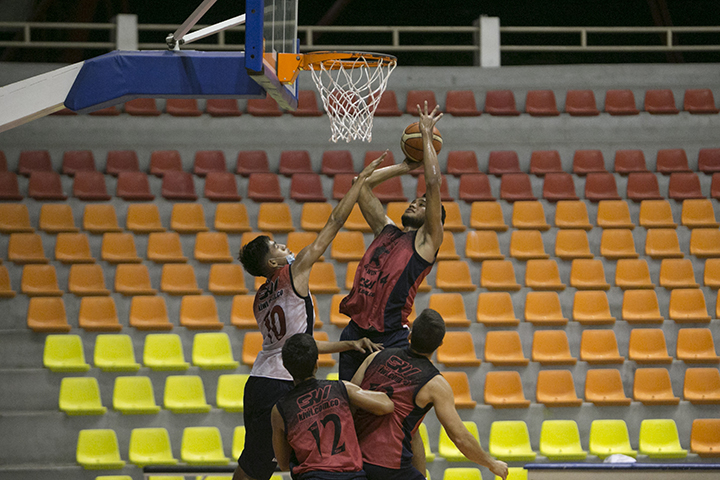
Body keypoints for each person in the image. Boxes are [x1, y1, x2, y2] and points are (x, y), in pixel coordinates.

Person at [233, 153, 387, 480]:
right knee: (307, 461)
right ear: (274, 265)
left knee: (253, 463)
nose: (283, 245)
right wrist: (358, 186)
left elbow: (296, 345)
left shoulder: (260, 298)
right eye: (276, 246)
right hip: (283, 384)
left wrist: (348, 346)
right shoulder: (293, 273)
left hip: (258, 380)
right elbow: (332, 225)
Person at [338, 101, 446, 382]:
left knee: (382, 413)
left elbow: (434, 184)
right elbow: (359, 184)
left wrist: (426, 138)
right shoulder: (385, 230)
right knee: (350, 408)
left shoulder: (426, 243)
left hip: (390, 339)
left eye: (422, 205)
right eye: (414, 200)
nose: (414, 204)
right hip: (353, 334)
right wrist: (404, 166)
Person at [351, 309, 509, 480]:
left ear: (410, 335)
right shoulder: (435, 384)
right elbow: (460, 437)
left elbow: (346, 402)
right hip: (388, 467)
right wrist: (492, 463)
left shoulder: (375, 357)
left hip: (352, 458)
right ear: (440, 344)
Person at [271, 333, 394, 480]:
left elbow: (283, 463)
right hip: (352, 476)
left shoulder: (280, 410)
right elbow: (386, 406)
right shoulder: (341, 389)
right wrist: (367, 363)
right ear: (316, 363)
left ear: (285, 366)